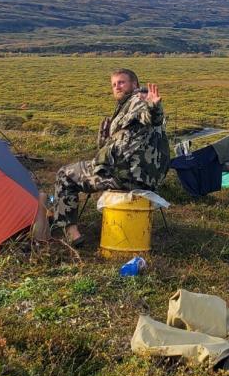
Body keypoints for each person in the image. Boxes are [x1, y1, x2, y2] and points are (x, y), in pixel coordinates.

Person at [42, 68, 169, 246]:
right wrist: (105, 138)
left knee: (65, 174)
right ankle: (55, 214)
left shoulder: (138, 100)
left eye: (121, 82)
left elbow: (151, 117)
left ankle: (71, 233)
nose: (117, 87)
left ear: (135, 84)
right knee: (86, 169)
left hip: (126, 175)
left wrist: (154, 107)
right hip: (142, 176)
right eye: (114, 84)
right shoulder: (125, 106)